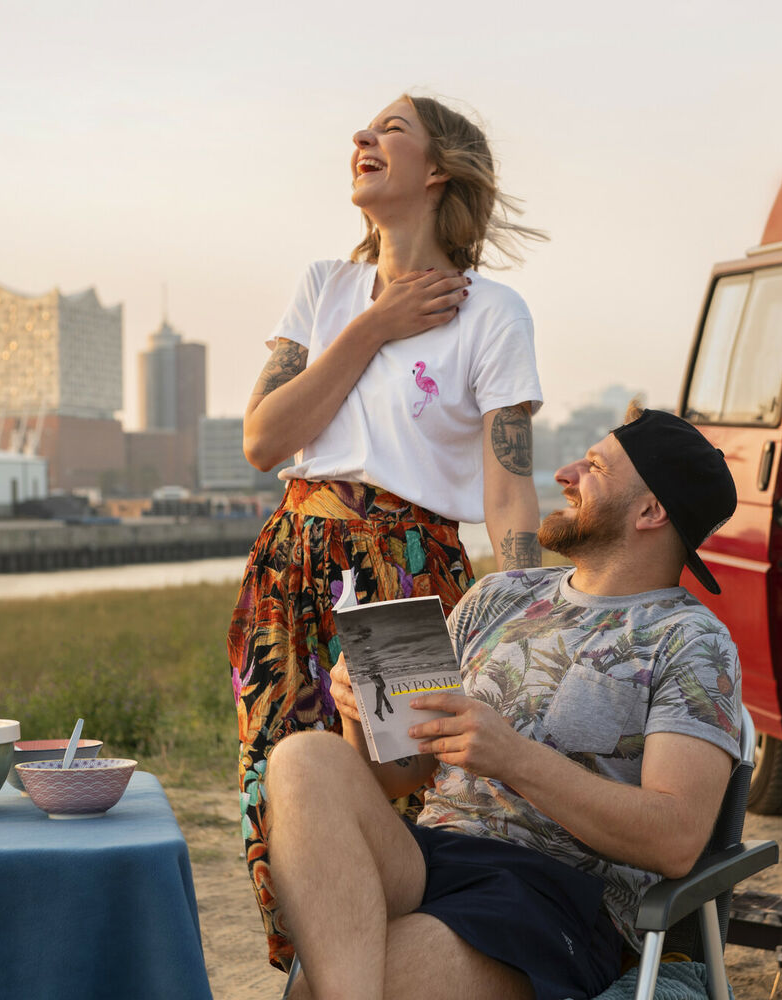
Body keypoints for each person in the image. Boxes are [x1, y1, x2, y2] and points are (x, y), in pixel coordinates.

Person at [265, 408, 743, 1000]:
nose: (566, 474)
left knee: (325, 991)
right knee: (302, 758)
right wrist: (361, 712)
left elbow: (676, 840)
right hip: (431, 856)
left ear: (650, 512)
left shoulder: (692, 641)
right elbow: (404, 775)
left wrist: (512, 757)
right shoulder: (498, 595)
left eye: (595, 467)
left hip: (551, 898)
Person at [228, 93, 547, 969]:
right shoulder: (326, 288)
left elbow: (508, 486)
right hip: (290, 563)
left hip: (405, 573)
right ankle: (321, 977)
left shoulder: (494, 313)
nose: (361, 137)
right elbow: (264, 439)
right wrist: (374, 325)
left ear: (438, 168)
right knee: (278, 785)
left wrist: (525, 616)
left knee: (405, 791)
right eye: (365, 128)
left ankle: (398, 973)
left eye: (390, 129)